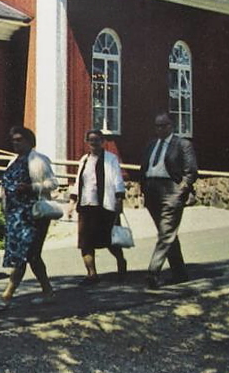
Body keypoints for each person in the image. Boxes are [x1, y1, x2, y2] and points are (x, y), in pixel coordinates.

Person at [0, 125, 59, 308]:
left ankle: (6, 296)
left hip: (33, 214)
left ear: (29, 141)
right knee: (32, 256)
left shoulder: (38, 160)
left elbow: (53, 183)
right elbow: (5, 187)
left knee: (25, 254)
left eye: (19, 140)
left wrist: (32, 187)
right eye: (13, 140)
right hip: (15, 216)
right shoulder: (13, 161)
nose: (15, 143)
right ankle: (48, 291)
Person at [140, 112, 198, 289]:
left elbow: (191, 171)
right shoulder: (151, 145)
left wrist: (182, 190)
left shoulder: (182, 144)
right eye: (157, 125)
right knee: (167, 233)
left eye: (163, 125)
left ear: (171, 126)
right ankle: (180, 273)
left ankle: (153, 273)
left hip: (171, 191)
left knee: (166, 233)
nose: (159, 129)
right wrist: (143, 188)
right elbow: (144, 167)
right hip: (152, 192)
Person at [69, 129, 128, 284]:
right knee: (85, 242)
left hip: (104, 205)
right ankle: (92, 274)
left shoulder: (110, 159)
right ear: (87, 142)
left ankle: (121, 263)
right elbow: (78, 182)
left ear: (103, 142)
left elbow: (117, 179)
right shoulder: (84, 160)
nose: (93, 143)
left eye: (97, 140)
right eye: (91, 140)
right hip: (86, 205)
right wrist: (71, 202)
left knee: (109, 240)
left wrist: (119, 199)